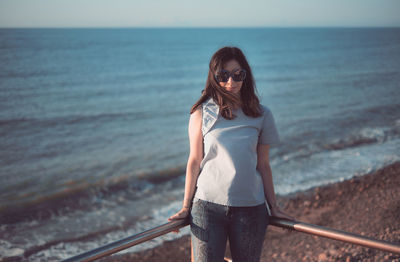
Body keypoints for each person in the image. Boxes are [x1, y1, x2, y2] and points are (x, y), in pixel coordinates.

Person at [168, 46, 293, 262]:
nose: (231, 82)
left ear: (246, 75)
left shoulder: (262, 114)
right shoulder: (200, 113)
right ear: (214, 77)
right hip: (206, 208)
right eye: (223, 76)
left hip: (251, 209)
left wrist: (274, 207)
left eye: (237, 75)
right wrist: (185, 207)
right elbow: (194, 161)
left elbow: (264, 165)